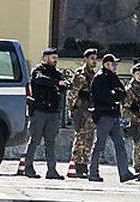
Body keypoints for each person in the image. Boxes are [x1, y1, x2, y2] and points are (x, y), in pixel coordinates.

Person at [88, 54, 134, 183]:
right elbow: (104, 96)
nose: (115, 67)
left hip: (114, 115)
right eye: (113, 64)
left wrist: (116, 94)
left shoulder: (113, 77)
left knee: (120, 145)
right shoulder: (100, 78)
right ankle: (93, 173)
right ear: (106, 64)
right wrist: (115, 94)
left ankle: (124, 173)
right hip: (104, 115)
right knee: (99, 145)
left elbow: (122, 93)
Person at [24, 47, 68, 179]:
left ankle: (51, 170)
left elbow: (64, 84)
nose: (55, 60)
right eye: (53, 58)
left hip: (53, 112)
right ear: (45, 58)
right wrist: (56, 83)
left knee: (50, 142)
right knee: (35, 140)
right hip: (39, 111)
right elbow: (40, 80)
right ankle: (28, 167)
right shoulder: (37, 71)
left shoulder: (57, 73)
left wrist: (63, 83)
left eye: (56, 58)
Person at [67, 48, 99, 175]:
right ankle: (78, 165)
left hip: (90, 111)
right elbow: (73, 93)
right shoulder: (81, 74)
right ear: (85, 59)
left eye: (95, 59)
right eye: (92, 58)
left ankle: (84, 164)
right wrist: (71, 109)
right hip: (81, 110)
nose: (94, 61)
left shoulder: (93, 74)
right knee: (80, 138)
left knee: (89, 139)